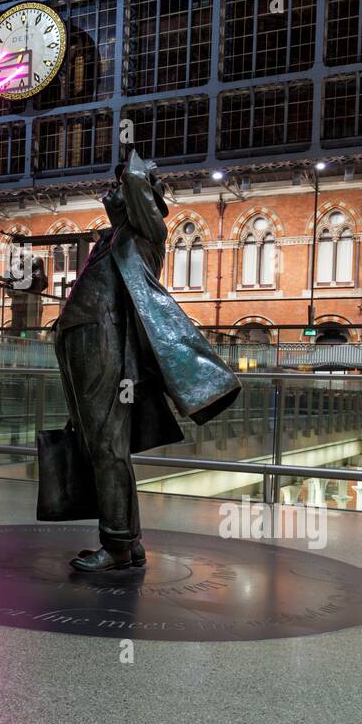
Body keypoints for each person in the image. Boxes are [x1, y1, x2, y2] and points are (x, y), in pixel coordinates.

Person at [48, 147, 240, 572]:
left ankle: (116, 544)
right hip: (87, 344)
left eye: (118, 186)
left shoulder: (147, 231)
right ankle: (128, 542)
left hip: (108, 345)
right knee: (105, 444)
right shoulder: (113, 238)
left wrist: (136, 167)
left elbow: (137, 186)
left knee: (106, 444)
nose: (111, 191)